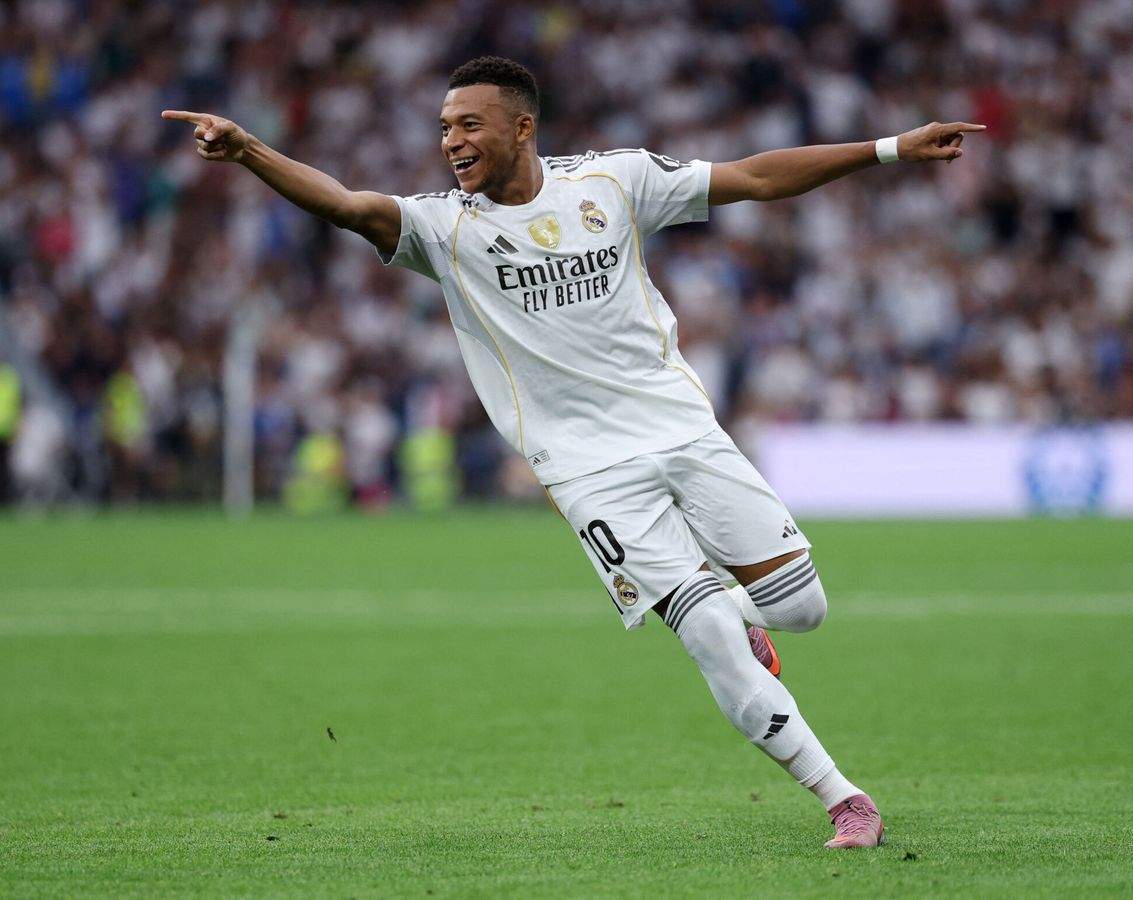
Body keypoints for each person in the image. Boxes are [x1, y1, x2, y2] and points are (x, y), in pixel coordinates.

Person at [163, 55, 984, 849]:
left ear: (522, 128)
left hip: (682, 430)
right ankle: (845, 799)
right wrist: (249, 150)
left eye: (469, 125)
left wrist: (889, 148)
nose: (451, 141)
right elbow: (346, 205)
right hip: (587, 471)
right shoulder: (444, 228)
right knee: (704, 634)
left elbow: (756, 176)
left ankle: (741, 616)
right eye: (444, 127)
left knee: (801, 609)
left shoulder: (614, 182)